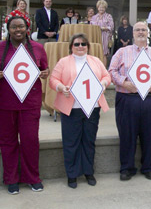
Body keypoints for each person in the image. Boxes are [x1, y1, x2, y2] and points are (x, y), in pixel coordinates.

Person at [0, 16, 49, 195]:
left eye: (21, 26)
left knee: (30, 141)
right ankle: (11, 178)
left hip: (29, 103)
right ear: (8, 29)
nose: (18, 30)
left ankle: (32, 177)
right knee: (8, 142)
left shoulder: (37, 48)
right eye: (14, 27)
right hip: (4, 103)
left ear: (27, 28)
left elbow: (45, 68)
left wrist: (45, 73)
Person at [108, 22, 151, 181]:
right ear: (132, 33)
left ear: (148, 33)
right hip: (127, 99)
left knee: (150, 135)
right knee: (126, 135)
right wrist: (124, 82)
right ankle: (126, 167)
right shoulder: (121, 52)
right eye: (137, 29)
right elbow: (112, 71)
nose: (140, 32)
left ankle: (148, 166)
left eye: (143, 30)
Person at [49, 33, 111, 189]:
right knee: (71, 142)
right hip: (72, 108)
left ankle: (88, 172)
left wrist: (103, 83)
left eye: (83, 44)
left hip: (92, 108)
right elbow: (53, 80)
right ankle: (72, 175)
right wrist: (61, 87)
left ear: (88, 46)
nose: (80, 47)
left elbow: (106, 75)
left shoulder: (95, 61)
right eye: (76, 44)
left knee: (89, 141)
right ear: (71, 46)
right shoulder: (64, 62)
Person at [91, 0, 114, 66]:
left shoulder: (108, 16)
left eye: (103, 7)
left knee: (104, 53)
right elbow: (91, 27)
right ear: (97, 8)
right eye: (100, 7)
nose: (101, 9)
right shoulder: (94, 17)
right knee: (95, 52)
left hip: (105, 36)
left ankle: (104, 69)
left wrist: (102, 28)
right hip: (95, 36)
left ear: (105, 8)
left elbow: (111, 27)